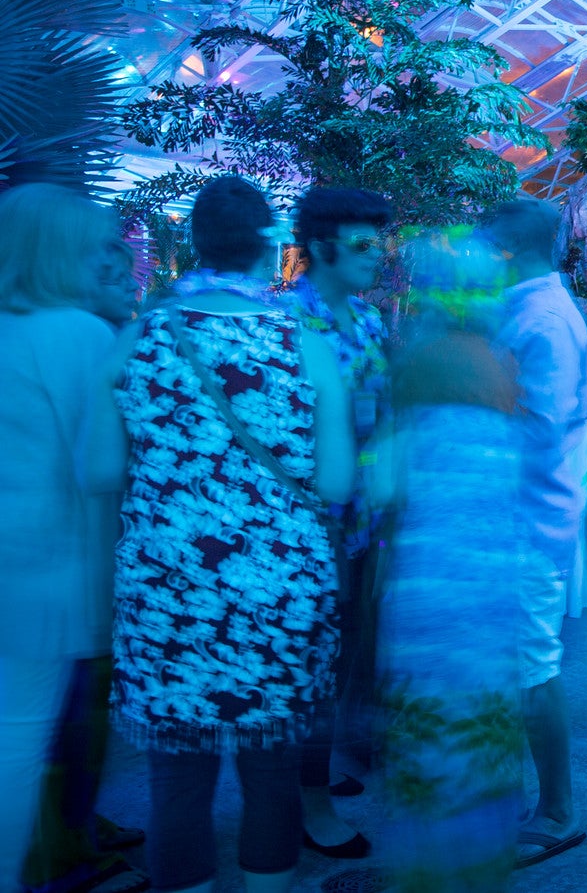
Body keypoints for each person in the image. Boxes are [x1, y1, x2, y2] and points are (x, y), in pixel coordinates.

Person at [83, 175, 354, 893]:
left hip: (171, 596)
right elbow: (333, 484)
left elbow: (98, 470)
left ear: (195, 243)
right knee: (271, 771)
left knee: (177, 778)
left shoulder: (142, 336)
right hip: (280, 595)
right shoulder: (304, 340)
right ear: (269, 247)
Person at [367, 229, 524, 892]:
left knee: (427, 771)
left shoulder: (414, 363)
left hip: (427, 608)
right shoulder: (502, 368)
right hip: (490, 607)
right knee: (483, 773)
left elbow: (380, 486)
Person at [0, 185, 135, 893]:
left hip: (16, 557)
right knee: (23, 735)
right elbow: (101, 467)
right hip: (51, 565)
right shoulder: (76, 333)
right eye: (94, 246)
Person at [283, 186, 392, 858]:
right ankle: (309, 803)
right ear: (320, 245)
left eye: (379, 241)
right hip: (311, 530)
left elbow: (381, 416)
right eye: (361, 242)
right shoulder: (287, 323)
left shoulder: (370, 321)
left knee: (345, 658)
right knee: (315, 668)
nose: (377, 254)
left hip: (361, 527)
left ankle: (314, 776)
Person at [486, 197, 587, 869]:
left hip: (529, 515)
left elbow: (540, 428)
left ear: (505, 250)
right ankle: (534, 801)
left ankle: (557, 808)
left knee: (533, 665)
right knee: (519, 662)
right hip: (520, 513)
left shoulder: (543, 316)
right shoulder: (537, 308)